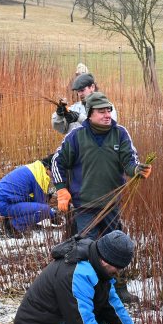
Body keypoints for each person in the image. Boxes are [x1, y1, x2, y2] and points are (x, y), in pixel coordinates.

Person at [12, 231, 143, 324]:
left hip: (61, 323)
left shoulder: (98, 266)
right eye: (117, 268)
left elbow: (112, 305)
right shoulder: (77, 273)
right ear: (105, 260)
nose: (118, 272)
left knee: (101, 317)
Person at [51, 92, 150, 239]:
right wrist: (61, 189)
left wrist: (137, 169)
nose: (107, 115)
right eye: (101, 111)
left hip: (111, 204)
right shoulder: (76, 136)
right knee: (86, 246)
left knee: (112, 245)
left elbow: (129, 161)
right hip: (84, 206)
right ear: (90, 114)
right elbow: (57, 161)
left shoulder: (120, 133)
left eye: (108, 110)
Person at [0, 156, 58, 237]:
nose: (55, 175)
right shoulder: (40, 176)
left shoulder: (35, 168)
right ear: (48, 168)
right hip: (4, 204)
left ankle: (11, 221)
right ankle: (12, 225)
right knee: (44, 210)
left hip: (2, 201)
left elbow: (33, 198)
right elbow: (41, 204)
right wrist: (54, 216)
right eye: (55, 171)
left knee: (40, 208)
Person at [51, 71, 119, 134]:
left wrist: (79, 118)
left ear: (92, 87)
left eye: (82, 90)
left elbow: (105, 129)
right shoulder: (74, 108)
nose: (79, 94)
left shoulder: (107, 108)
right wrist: (59, 115)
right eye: (78, 91)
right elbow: (62, 129)